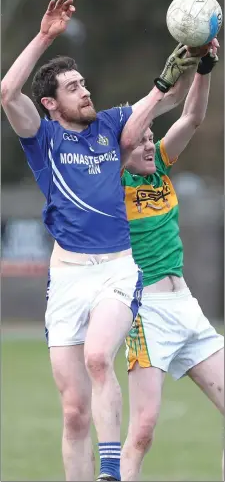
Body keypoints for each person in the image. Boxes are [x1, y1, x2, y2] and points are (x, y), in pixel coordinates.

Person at [1, 0, 200, 482]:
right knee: (73, 413)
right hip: (67, 276)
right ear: (50, 104)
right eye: (72, 88)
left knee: (97, 356)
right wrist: (46, 36)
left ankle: (110, 473)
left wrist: (188, 61)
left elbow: (167, 101)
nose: (84, 91)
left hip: (116, 267)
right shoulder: (43, 140)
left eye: (84, 82)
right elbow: (7, 92)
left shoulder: (112, 127)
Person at [120, 41, 224, 481]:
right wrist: (157, 89)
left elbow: (193, 118)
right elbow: (125, 137)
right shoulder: (112, 184)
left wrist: (204, 68)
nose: (148, 144)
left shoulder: (161, 164)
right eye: (141, 139)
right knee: (142, 432)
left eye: (150, 137)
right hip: (148, 315)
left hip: (187, 309)